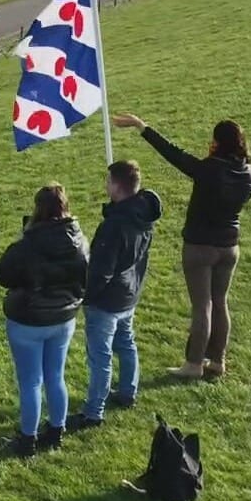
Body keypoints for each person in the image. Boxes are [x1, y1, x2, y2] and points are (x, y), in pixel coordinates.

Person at [113, 114, 251, 380]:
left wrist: (142, 127)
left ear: (217, 143)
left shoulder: (209, 169)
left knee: (202, 306)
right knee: (220, 302)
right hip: (229, 247)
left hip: (200, 247)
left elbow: (174, 154)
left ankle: (194, 363)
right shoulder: (250, 173)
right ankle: (218, 361)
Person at [0, 183, 88, 457]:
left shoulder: (28, 245)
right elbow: (85, 275)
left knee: (31, 382)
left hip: (29, 320)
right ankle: (56, 431)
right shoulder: (80, 240)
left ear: (38, 210)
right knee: (56, 376)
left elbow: (1, 272)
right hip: (64, 318)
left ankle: (27, 440)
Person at [70, 161, 163, 430]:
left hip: (107, 302)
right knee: (126, 343)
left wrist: (86, 297)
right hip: (130, 294)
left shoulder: (113, 226)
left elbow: (102, 271)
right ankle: (127, 391)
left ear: (117, 186)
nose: (105, 184)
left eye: (108, 180)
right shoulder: (144, 216)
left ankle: (93, 412)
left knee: (100, 357)